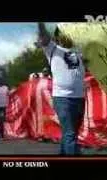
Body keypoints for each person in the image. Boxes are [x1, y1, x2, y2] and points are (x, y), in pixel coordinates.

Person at [36, 22, 85, 155]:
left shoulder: (78, 51)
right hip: (63, 99)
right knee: (70, 134)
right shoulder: (52, 49)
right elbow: (43, 35)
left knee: (71, 133)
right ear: (58, 37)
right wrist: (40, 24)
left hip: (80, 98)